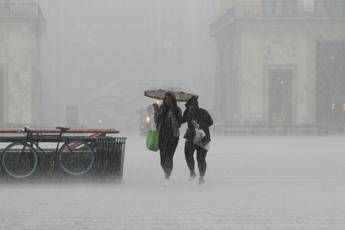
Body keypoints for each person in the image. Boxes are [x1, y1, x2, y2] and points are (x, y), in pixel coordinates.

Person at [182, 96, 213, 184]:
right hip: (191, 137)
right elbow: (182, 120)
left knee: (201, 159)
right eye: (189, 106)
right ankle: (192, 171)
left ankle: (201, 177)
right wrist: (186, 111)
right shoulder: (187, 113)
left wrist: (200, 125)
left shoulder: (203, 112)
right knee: (188, 153)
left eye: (193, 106)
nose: (191, 108)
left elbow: (210, 122)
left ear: (196, 105)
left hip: (203, 137)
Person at [153, 92, 182, 181]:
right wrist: (157, 112)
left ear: (173, 100)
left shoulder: (177, 109)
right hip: (162, 136)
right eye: (166, 99)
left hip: (173, 136)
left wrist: (173, 116)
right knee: (162, 160)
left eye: (169, 99)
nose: (167, 100)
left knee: (169, 157)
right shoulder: (161, 108)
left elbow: (179, 123)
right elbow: (156, 122)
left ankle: (168, 174)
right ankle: (167, 171)